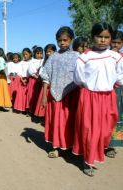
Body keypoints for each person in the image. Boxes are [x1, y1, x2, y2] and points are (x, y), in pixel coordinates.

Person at [72, 22, 123, 177]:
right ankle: (88, 160)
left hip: (108, 96)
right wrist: (90, 89)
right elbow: (78, 78)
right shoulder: (85, 57)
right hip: (89, 96)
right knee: (89, 129)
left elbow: (120, 77)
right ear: (93, 37)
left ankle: (97, 150)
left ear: (111, 38)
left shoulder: (116, 57)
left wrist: (111, 86)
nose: (103, 40)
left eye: (106, 37)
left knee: (105, 128)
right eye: (99, 36)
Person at [40, 26, 79, 158]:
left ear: (71, 40)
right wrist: (44, 96)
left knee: (69, 121)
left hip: (72, 96)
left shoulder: (77, 57)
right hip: (54, 95)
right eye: (59, 40)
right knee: (57, 122)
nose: (62, 43)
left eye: (65, 40)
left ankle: (71, 145)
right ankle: (56, 146)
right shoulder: (53, 57)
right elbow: (46, 77)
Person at [107, 30, 123, 155]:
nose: (116, 45)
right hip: (104, 91)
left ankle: (111, 146)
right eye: (114, 42)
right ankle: (101, 143)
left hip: (118, 90)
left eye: (119, 43)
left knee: (115, 117)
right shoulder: (104, 56)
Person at [34, 44, 57, 118]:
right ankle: (44, 116)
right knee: (45, 101)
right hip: (46, 85)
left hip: (53, 86)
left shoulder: (57, 60)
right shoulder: (44, 62)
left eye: (50, 52)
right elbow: (42, 72)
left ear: (55, 51)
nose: (48, 53)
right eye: (46, 52)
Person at [13, 48, 33, 113]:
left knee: (29, 95)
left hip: (30, 80)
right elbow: (19, 72)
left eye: (26, 54)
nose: (25, 56)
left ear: (30, 54)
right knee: (22, 95)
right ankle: (22, 108)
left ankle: (28, 109)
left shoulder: (32, 61)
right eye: (24, 54)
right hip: (22, 80)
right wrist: (22, 79)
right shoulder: (21, 62)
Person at [26, 47, 44, 114]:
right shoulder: (32, 61)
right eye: (37, 53)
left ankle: (38, 111)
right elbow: (31, 71)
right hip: (33, 80)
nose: (39, 55)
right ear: (34, 54)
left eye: (41, 53)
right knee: (32, 95)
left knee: (39, 95)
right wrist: (36, 76)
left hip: (41, 80)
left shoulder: (44, 61)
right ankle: (31, 110)